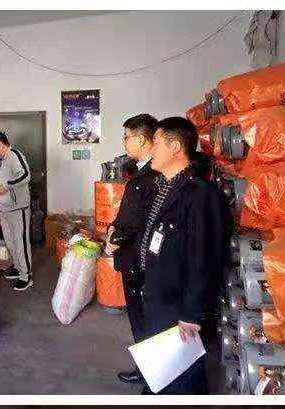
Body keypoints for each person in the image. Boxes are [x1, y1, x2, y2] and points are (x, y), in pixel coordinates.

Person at [139, 117, 228, 394]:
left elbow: (205, 257)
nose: (151, 150)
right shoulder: (163, 186)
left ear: (176, 146)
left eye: (156, 143)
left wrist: (192, 313)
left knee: (183, 378)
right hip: (159, 295)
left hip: (179, 306)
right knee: (163, 371)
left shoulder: (201, 195)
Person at [104, 114, 159, 385]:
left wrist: (116, 238)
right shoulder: (141, 172)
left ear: (141, 139)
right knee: (139, 317)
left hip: (140, 258)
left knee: (143, 318)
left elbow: (142, 219)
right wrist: (113, 228)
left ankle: (150, 373)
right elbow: (128, 213)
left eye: (127, 137)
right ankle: (146, 368)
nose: (124, 142)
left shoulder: (153, 176)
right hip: (131, 254)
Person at [0, 131, 33, 291]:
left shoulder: (14, 155)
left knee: (20, 242)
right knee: (9, 241)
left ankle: (26, 276)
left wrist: (7, 185)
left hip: (18, 207)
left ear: (1, 144)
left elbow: (26, 175)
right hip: (4, 208)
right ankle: (18, 267)